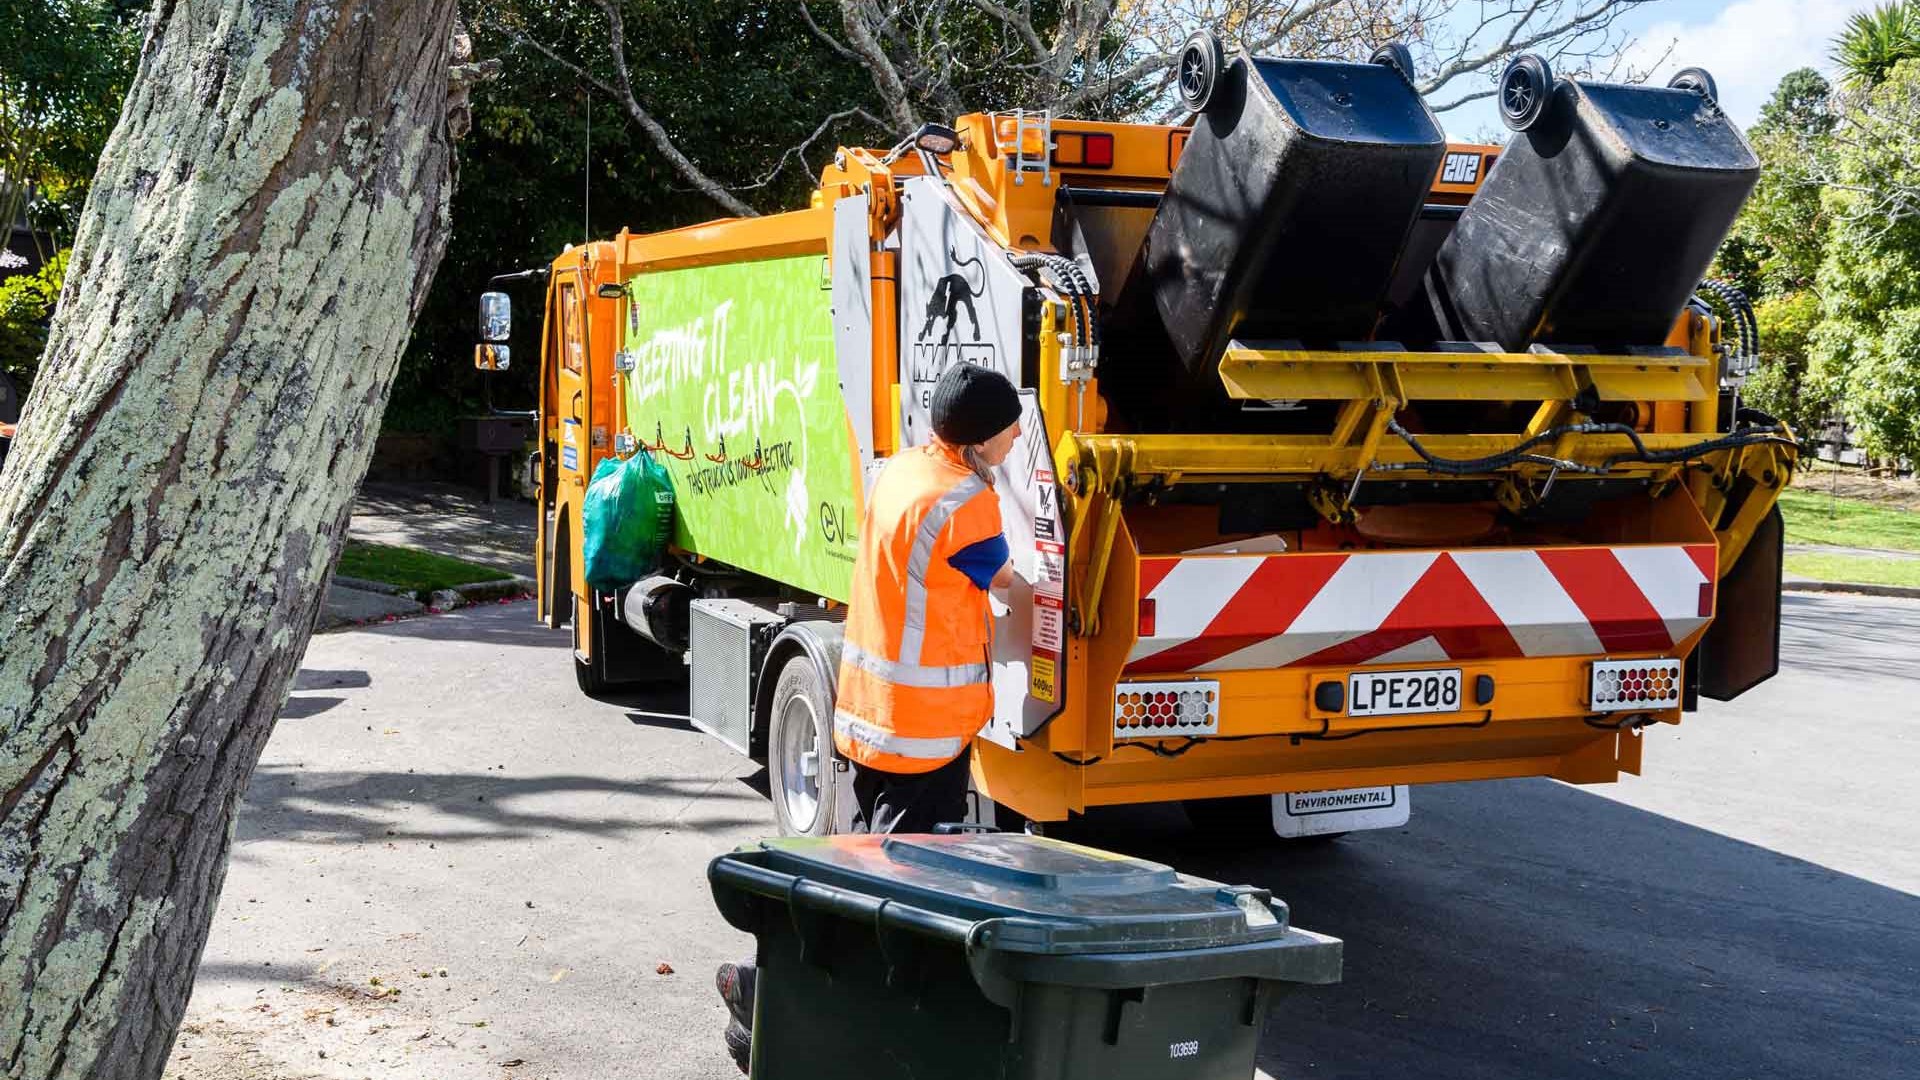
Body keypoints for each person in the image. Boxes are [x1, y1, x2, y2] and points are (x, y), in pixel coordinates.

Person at [714, 361, 1022, 1072]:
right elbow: (1006, 581)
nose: (1013, 441)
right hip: (924, 734)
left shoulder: (902, 471)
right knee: (893, 900)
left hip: (869, 714)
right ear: (978, 438)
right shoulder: (966, 504)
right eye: (1008, 431)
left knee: (860, 869)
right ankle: (770, 1001)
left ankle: (773, 999)